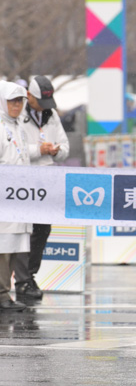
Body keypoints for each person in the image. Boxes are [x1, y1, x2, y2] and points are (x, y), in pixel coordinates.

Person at [13, 75, 70, 300]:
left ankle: (30, 275)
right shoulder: (17, 115)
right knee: (22, 230)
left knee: (42, 230)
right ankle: (21, 279)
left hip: (47, 179)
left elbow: (65, 146)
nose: (44, 107)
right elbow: (14, 147)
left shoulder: (52, 114)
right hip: (23, 179)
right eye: (39, 101)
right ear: (29, 96)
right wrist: (39, 150)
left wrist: (56, 151)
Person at [0, 81, 32, 312]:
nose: (17, 105)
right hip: (3, 199)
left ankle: (5, 293)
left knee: (13, 246)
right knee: (2, 248)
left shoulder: (19, 127)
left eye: (20, 101)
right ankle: (2, 295)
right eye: (12, 101)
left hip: (18, 200)